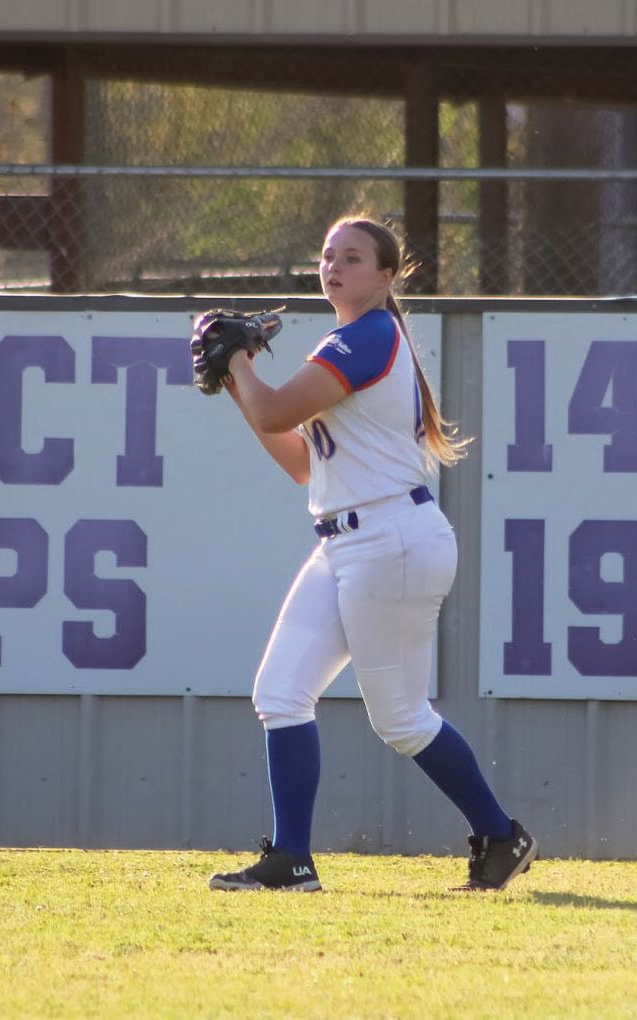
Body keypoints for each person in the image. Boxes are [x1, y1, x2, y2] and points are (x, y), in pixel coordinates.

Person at [206, 215, 537, 893]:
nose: (334, 266)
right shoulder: (348, 341)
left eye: (352, 258)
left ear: (386, 276)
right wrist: (240, 379)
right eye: (328, 255)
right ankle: (291, 860)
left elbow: (274, 412)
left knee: (402, 719)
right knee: (280, 693)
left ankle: (502, 835)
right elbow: (300, 463)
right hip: (349, 540)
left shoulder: (368, 335)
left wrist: (237, 361)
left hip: (390, 539)